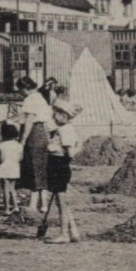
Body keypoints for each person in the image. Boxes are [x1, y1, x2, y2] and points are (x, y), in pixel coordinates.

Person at [43, 98, 83, 243]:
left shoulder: (66, 130)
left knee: (61, 201)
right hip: (57, 164)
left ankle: (64, 234)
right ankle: (73, 231)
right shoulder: (62, 129)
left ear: (64, 115)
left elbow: (70, 153)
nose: (54, 116)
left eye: (56, 113)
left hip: (59, 164)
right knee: (62, 201)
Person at [13, 76, 53, 216]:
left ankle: (33, 204)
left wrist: (23, 139)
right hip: (42, 133)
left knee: (33, 168)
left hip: (34, 134)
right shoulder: (40, 97)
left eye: (21, 90)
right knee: (41, 167)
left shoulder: (30, 99)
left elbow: (29, 120)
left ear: (24, 88)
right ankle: (44, 204)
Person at [0, 121, 23, 215]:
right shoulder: (19, 146)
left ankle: (7, 209)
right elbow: (20, 158)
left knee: (6, 189)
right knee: (12, 189)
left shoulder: (2, 145)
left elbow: (1, 158)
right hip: (15, 167)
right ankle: (16, 207)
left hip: (5, 168)